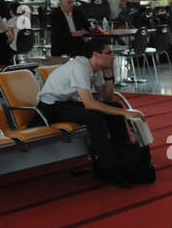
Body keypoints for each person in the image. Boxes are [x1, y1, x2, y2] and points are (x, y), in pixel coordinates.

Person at [38, 38, 145, 186]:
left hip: (70, 104)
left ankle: (124, 153)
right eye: (109, 53)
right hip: (50, 109)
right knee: (94, 116)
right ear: (96, 54)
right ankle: (110, 166)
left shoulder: (95, 68)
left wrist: (108, 74)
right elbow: (89, 103)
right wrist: (126, 114)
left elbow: (107, 97)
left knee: (115, 107)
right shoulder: (80, 67)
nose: (113, 56)